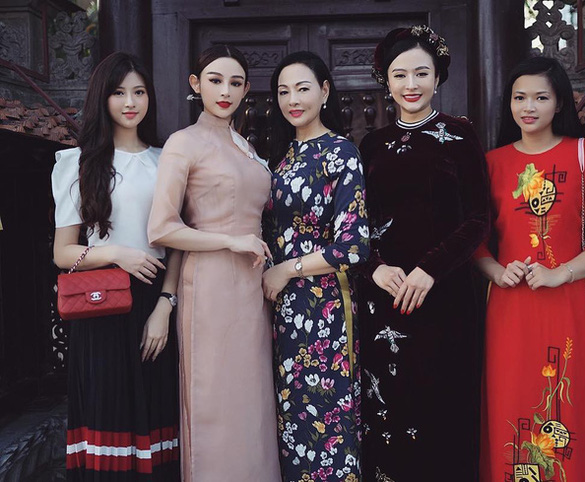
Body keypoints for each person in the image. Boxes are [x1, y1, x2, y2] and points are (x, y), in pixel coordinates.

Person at [476, 56, 585, 481]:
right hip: (509, 309)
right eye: (519, 97)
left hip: (566, 308)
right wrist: (496, 271)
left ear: (559, 103)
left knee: (564, 409)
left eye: (541, 98)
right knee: (510, 405)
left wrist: (561, 273)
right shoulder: (492, 163)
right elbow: (475, 243)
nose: (529, 107)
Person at [356, 25, 490, 480]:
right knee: (390, 409)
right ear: (386, 80)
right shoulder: (371, 145)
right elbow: (358, 224)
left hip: (444, 296)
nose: (410, 85)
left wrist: (429, 269)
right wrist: (374, 268)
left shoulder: (461, 135)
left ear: (438, 76)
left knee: (444, 408)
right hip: (385, 299)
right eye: (400, 75)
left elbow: (478, 218)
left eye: (421, 73)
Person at [147, 45, 281, 482]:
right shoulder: (183, 142)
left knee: (253, 403)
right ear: (195, 84)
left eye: (235, 83)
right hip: (210, 286)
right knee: (217, 402)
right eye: (215, 80)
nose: (225, 91)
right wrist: (228, 240)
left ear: (246, 89)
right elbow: (162, 228)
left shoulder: (244, 144)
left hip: (253, 287)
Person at [51, 52, 180, 481]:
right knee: (107, 415)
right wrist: (116, 253)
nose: (130, 102)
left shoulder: (167, 160)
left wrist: (164, 306)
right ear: (102, 98)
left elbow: (178, 244)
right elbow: (63, 253)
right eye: (119, 92)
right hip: (101, 302)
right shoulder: (79, 163)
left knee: (157, 410)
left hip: (154, 299)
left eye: (139, 92)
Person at [262, 51, 369, 481]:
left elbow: (353, 246)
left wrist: (286, 270)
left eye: (303, 89)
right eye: (284, 91)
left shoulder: (341, 153)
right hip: (281, 307)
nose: (293, 100)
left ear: (324, 92)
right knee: (290, 419)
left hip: (324, 306)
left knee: (326, 417)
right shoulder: (280, 155)